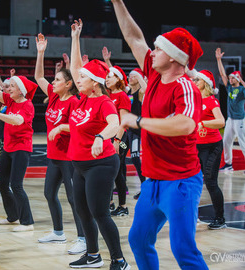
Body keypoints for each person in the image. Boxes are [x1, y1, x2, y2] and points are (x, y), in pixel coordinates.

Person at [111, 1, 208, 269]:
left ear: (175, 57)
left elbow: (186, 124)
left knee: (183, 249)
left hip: (180, 182)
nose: (151, 52)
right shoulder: (154, 74)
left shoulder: (185, 87)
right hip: (153, 182)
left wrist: (139, 121)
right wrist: (118, 2)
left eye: (158, 48)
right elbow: (133, 37)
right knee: (139, 241)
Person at [68, 19, 130, 270]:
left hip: (101, 164)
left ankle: (119, 260)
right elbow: (74, 68)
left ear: (95, 81)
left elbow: (116, 123)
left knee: (100, 213)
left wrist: (100, 137)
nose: (78, 79)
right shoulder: (82, 100)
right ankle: (93, 256)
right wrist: (75, 38)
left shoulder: (104, 101)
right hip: (79, 165)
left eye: (83, 77)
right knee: (83, 213)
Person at [34, 33, 86, 254]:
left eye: (56, 80)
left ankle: (83, 238)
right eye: (53, 79)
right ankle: (58, 232)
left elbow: (78, 126)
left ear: (68, 84)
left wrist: (61, 127)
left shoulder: (75, 101)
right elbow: (38, 77)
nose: (52, 82)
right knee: (49, 193)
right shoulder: (54, 97)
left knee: (75, 200)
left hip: (70, 158)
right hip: (54, 156)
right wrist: (40, 53)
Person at [0, 53, 36, 232]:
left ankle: (27, 222)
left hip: (22, 148)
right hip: (8, 147)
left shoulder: (27, 105)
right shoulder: (9, 100)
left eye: (12, 86)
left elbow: (17, 121)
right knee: (2, 184)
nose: (8, 88)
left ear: (21, 89)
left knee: (16, 185)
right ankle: (13, 216)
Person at [192, 70, 226, 229]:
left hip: (213, 146)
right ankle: (191, 214)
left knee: (211, 182)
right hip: (197, 146)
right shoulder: (195, 100)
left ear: (205, 83)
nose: (195, 81)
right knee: (192, 180)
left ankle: (220, 219)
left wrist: (204, 124)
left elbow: (221, 121)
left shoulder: (212, 101)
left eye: (198, 79)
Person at [105, 65, 131, 217]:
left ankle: (123, 206)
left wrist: (116, 140)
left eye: (111, 76)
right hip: (109, 136)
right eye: (107, 76)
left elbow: (123, 122)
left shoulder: (122, 96)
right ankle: (109, 203)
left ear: (119, 79)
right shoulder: (107, 95)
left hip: (121, 138)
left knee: (117, 171)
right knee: (108, 170)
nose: (107, 79)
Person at [216, 48, 245, 171]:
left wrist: (242, 80)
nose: (231, 79)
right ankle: (228, 164)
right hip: (230, 119)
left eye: (233, 78)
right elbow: (222, 74)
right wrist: (218, 60)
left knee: (243, 143)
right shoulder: (229, 88)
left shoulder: (242, 90)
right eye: (231, 77)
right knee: (226, 142)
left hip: (240, 120)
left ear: (238, 79)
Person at [127, 68, 147, 200]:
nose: (130, 78)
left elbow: (146, 88)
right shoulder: (127, 91)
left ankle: (145, 187)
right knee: (121, 156)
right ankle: (121, 187)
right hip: (127, 130)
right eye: (130, 76)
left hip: (137, 130)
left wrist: (140, 77)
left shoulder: (140, 92)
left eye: (133, 76)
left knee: (135, 157)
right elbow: (116, 77)